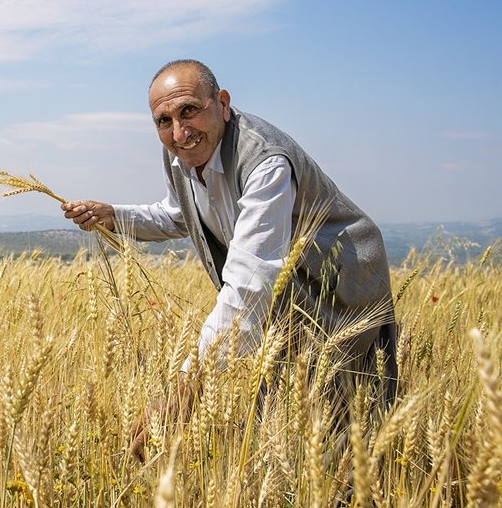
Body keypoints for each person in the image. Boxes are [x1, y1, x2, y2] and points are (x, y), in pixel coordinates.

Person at [61, 59, 398, 460]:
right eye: (163, 120)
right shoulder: (180, 156)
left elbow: (250, 280)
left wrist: (187, 386)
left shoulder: (266, 161)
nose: (180, 132)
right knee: (283, 428)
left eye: (189, 110)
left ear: (222, 103)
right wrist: (113, 215)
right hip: (284, 306)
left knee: (345, 438)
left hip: (341, 291)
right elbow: (178, 213)